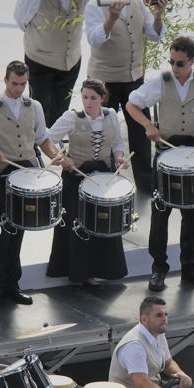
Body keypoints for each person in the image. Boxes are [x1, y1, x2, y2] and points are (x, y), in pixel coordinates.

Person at [125, 36, 194, 291]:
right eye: (172, 62)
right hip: (166, 153)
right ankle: (158, 269)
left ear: (192, 61)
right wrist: (148, 126)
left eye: (180, 63)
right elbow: (132, 104)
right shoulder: (161, 81)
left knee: (191, 213)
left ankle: (191, 269)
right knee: (161, 212)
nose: (175, 67)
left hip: (193, 155)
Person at [0, 60, 60, 308]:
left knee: (19, 229)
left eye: (23, 84)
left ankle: (13, 283)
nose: (18, 89)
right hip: (2, 173)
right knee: (0, 231)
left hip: (27, 173)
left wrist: (54, 153)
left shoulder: (35, 106)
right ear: (5, 80)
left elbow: (43, 138)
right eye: (14, 84)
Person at [84, 0, 166, 193]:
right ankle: (101, 182)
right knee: (103, 132)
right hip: (104, 80)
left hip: (133, 78)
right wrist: (110, 18)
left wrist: (158, 15)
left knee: (141, 131)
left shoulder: (138, 1)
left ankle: (145, 184)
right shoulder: (95, 5)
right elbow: (94, 39)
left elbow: (154, 35)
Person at [46, 78, 129, 287]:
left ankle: (103, 269)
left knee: (103, 221)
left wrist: (119, 157)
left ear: (102, 98)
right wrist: (61, 157)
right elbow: (48, 138)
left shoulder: (111, 116)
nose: (88, 102)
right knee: (79, 224)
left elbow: (118, 142)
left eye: (93, 98)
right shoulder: (71, 117)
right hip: (77, 177)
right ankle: (79, 272)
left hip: (103, 177)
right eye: (85, 97)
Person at [14, 0, 91, 126]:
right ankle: (36, 147)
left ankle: (55, 147)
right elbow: (21, 20)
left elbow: (90, 15)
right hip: (40, 60)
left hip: (70, 62)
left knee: (61, 110)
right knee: (39, 109)